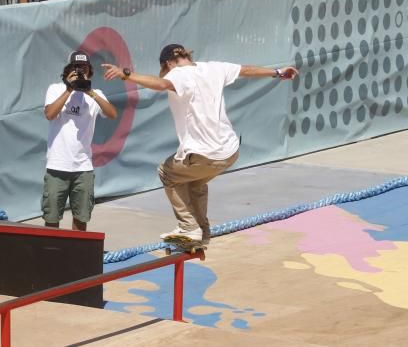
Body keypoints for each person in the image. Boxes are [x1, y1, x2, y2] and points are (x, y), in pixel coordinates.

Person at [102, 46, 298, 246]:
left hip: (204, 154)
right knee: (195, 183)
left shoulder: (178, 74)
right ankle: (203, 232)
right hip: (230, 152)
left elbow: (161, 84)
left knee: (166, 173)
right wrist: (277, 72)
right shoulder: (214, 68)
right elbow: (245, 70)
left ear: (168, 63)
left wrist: (126, 74)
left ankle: (189, 227)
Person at [42, 51, 117, 231]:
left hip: (83, 167)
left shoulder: (95, 94)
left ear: (89, 70)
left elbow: (112, 114)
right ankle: (51, 253)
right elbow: (50, 114)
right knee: (51, 217)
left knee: (81, 217)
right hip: (57, 165)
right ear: (68, 70)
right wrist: (69, 89)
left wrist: (89, 91)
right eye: (77, 68)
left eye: (84, 68)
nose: (81, 71)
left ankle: (75, 254)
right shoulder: (55, 89)